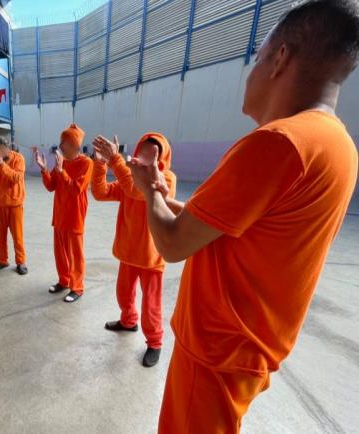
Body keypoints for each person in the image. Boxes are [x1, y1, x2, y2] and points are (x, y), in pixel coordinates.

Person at [127, 1, 359, 432]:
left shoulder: (278, 143)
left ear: (281, 59)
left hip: (218, 347)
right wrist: (166, 197)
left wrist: (147, 191)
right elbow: (231, 227)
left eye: (257, 58)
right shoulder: (337, 145)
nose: (250, 74)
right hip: (250, 347)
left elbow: (173, 243)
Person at [91, 133, 176, 368]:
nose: (146, 155)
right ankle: (128, 322)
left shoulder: (166, 179)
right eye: (144, 150)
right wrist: (100, 163)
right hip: (128, 253)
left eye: (153, 152)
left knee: (151, 305)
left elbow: (138, 191)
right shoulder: (128, 177)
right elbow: (100, 192)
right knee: (124, 294)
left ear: (161, 157)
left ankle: (155, 342)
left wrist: (115, 160)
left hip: (151, 256)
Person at [33, 123, 93, 303]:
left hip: (75, 217)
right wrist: (44, 169)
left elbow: (76, 189)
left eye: (63, 142)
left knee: (75, 255)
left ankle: (77, 287)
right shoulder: (62, 162)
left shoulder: (87, 163)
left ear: (74, 144)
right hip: (59, 215)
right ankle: (64, 280)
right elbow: (51, 186)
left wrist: (61, 172)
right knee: (60, 253)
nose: (60, 146)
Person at [0, 136, 28, 275]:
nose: (0, 152)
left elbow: (16, 178)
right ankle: (2, 260)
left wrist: (2, 164)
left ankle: (20, 262)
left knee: (17, 235)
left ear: (9, 148)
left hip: (14, 203)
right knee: (0, 235)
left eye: (3, 149)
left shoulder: (18, 158)